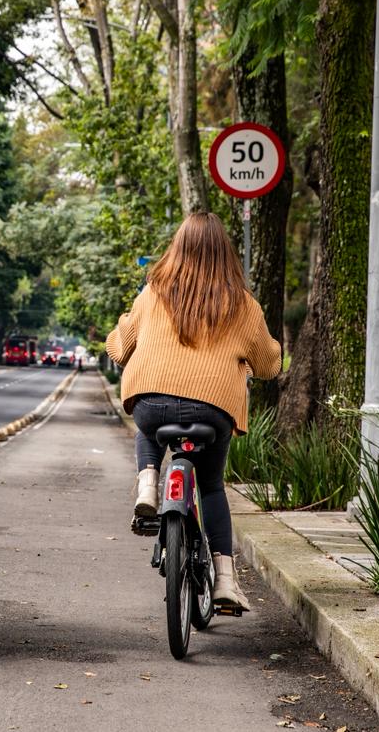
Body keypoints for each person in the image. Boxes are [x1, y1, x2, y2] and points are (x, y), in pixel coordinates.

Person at [105, 211, 281, 613]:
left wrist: (123, 329)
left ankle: (148, 485)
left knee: (147, 423)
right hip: (213, 409)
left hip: (152, 403)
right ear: (225, 254)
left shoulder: (152, 293)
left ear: (177, 247)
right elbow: (270, 365)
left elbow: (119, 347)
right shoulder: (243, 305)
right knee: (212, 486)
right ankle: (225, 582)